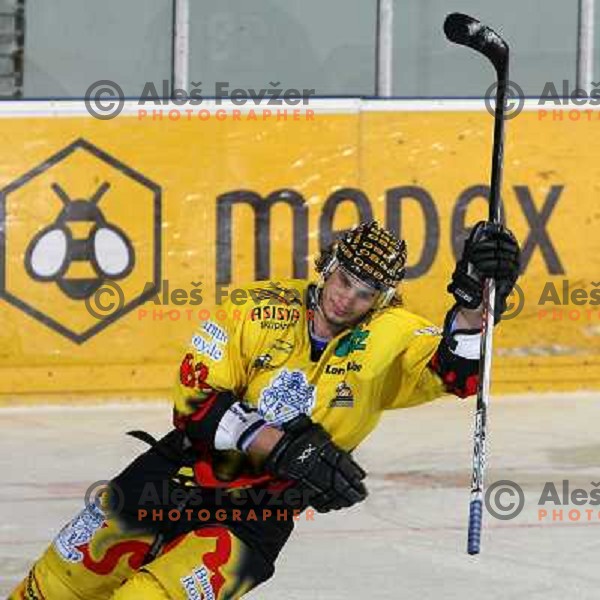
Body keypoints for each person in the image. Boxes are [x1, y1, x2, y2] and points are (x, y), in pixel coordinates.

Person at [10, 220, 520, 599]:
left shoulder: (393, 335)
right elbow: (194, 402)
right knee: (56, 584)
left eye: (366, 293)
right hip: (173, 474)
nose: (346, 300)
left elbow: (458, 372)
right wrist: (285, 449)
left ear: (384, 299)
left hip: (258, 516)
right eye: (344, 280)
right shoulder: (256, 307)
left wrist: (477, 305)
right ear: (328, 265)